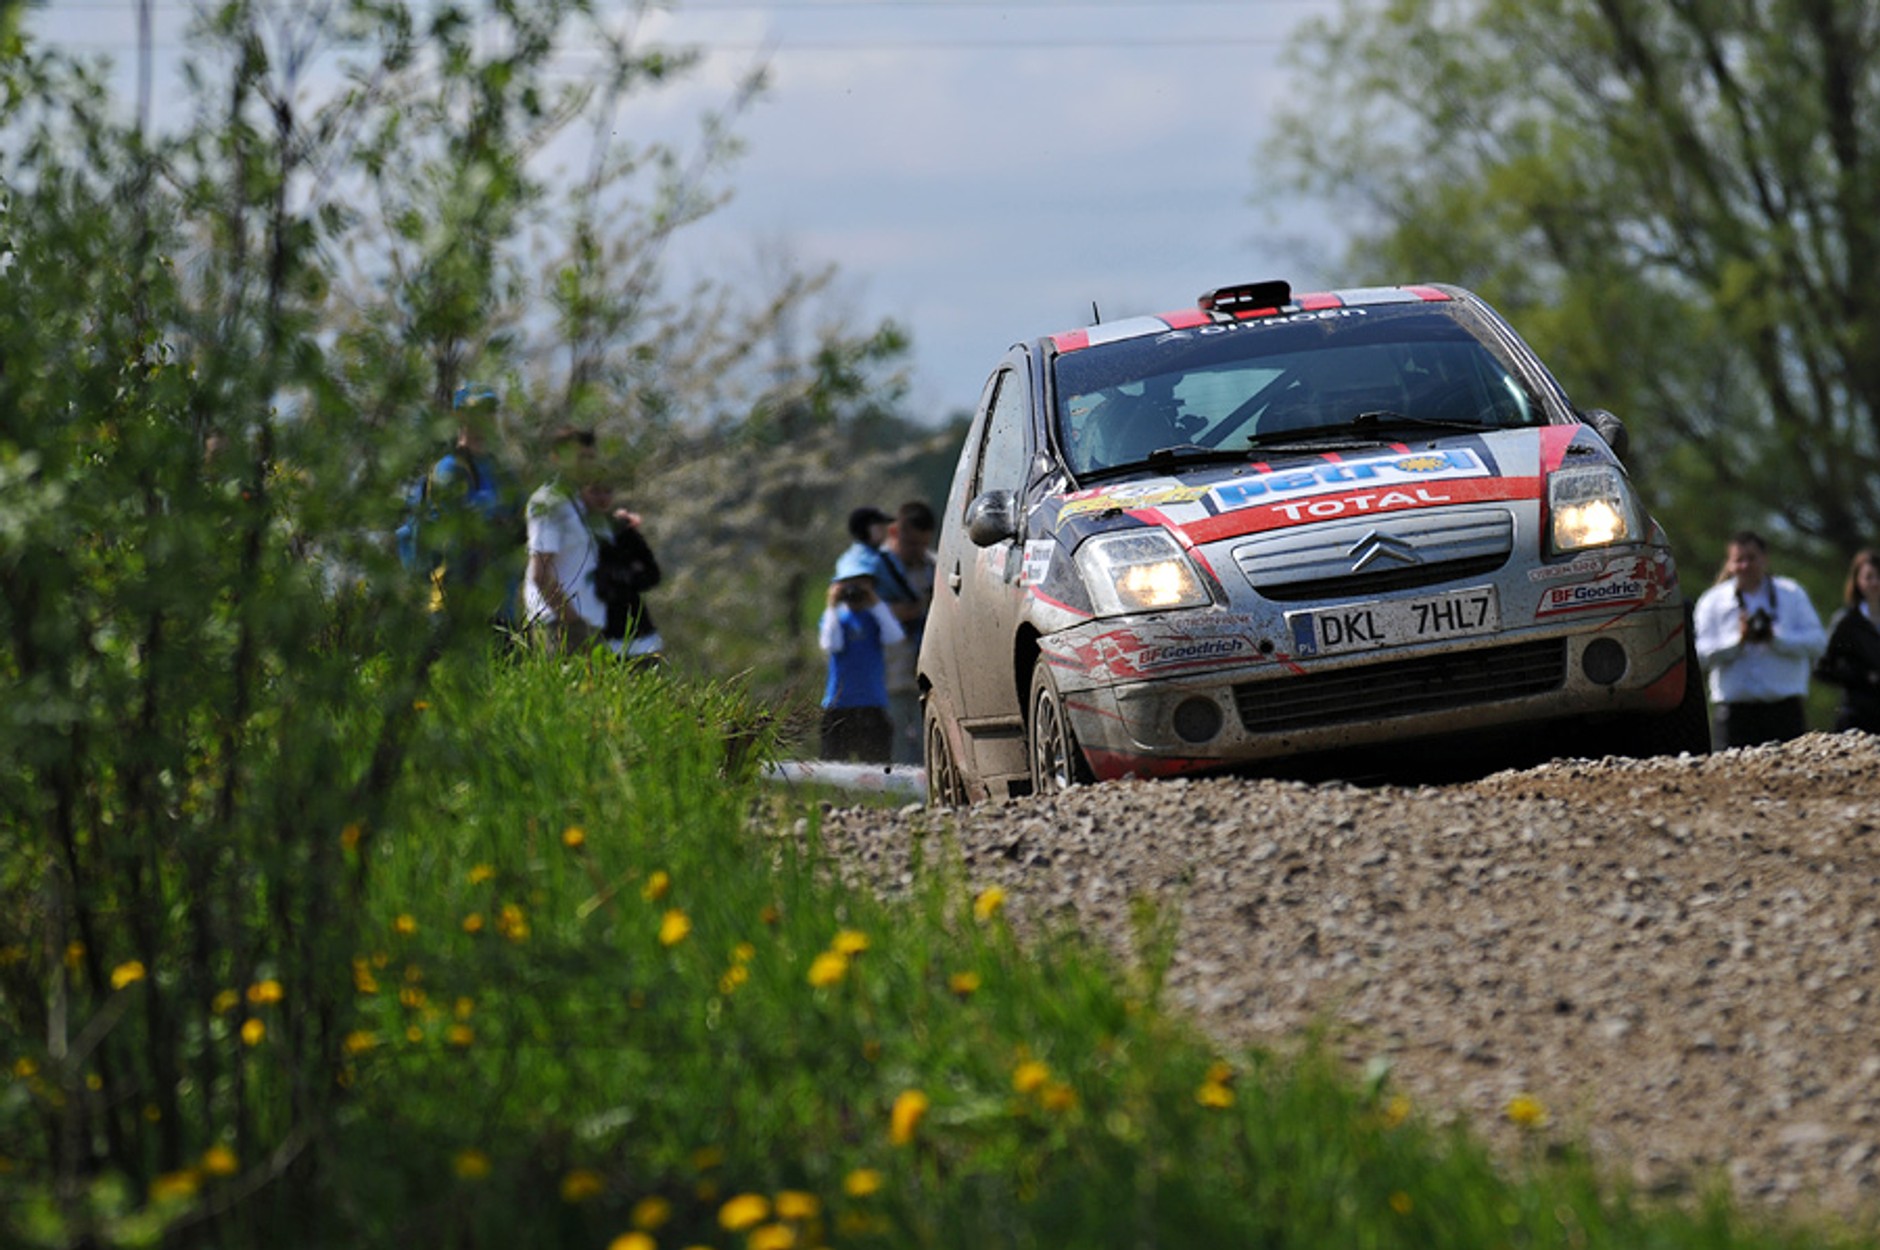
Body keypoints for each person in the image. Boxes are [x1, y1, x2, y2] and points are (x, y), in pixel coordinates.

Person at [1693, 529, 1826, 747]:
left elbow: (1818, 644)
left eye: (1751, 558)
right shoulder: (1713, 601)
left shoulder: (1791, 593)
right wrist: (1737, 641)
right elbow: (1698, 656)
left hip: (1785, 711)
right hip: (1734, 714)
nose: (1745, 566)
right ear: (1729, 564)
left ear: (1765, 559)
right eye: (1739, 560)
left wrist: (1777, 639)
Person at [523, 427, 610, 652]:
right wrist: (572, 622)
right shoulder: (549, 503)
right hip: (560, 627)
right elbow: (540, 573)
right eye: (580, 458)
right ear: (557, 458)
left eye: (591, 458)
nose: (587, 465)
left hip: (589, 625)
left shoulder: (577, 503)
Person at [818, 549, 905, 764]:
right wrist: (831, 605)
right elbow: (832, 644)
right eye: (848, 584)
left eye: (860, 583)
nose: (854, 590)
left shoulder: (875, 617)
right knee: (834, 769)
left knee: (877, 766)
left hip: (872, 703)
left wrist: (875, 602)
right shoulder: (835, 619)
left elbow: (895, 637)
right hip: (839, 705)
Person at [875, 500, 938, 765]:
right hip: (890, 675)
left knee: (930, 744)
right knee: (895, 746)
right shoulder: (873, 569)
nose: (917, 551)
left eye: (922, 544)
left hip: (928, 674)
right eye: (911, 544)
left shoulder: (934, 567)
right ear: (894, 533)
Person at [1813, 548, 1880, 733]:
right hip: (1858, 716)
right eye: (1869, 577)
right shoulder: (1846, 621)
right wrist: (1862, 676)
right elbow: (1822, 666)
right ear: (1857, 581)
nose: (1875, 583)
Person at [594, 505, 665, 663]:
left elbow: (652, 574)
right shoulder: (577, 531)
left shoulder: (625, 534)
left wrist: (624, 577)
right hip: (595, 625)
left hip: (635, 626)